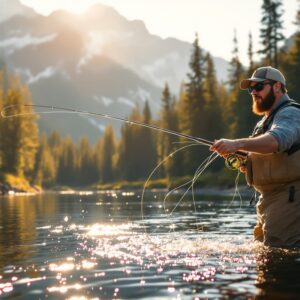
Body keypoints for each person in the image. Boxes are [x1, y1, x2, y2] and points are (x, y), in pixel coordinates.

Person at [211, 66, 300, 248]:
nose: (253, 93)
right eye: (251, 89)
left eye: (258, 87)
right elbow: (271, 155)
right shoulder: (265, 121)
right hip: (267, 199)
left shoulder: (290, 113)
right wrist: (245, 160)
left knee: (278, 260)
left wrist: (237, 144)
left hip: (289, 198)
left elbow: (277, 141)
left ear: (277, 87)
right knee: (264, 256)